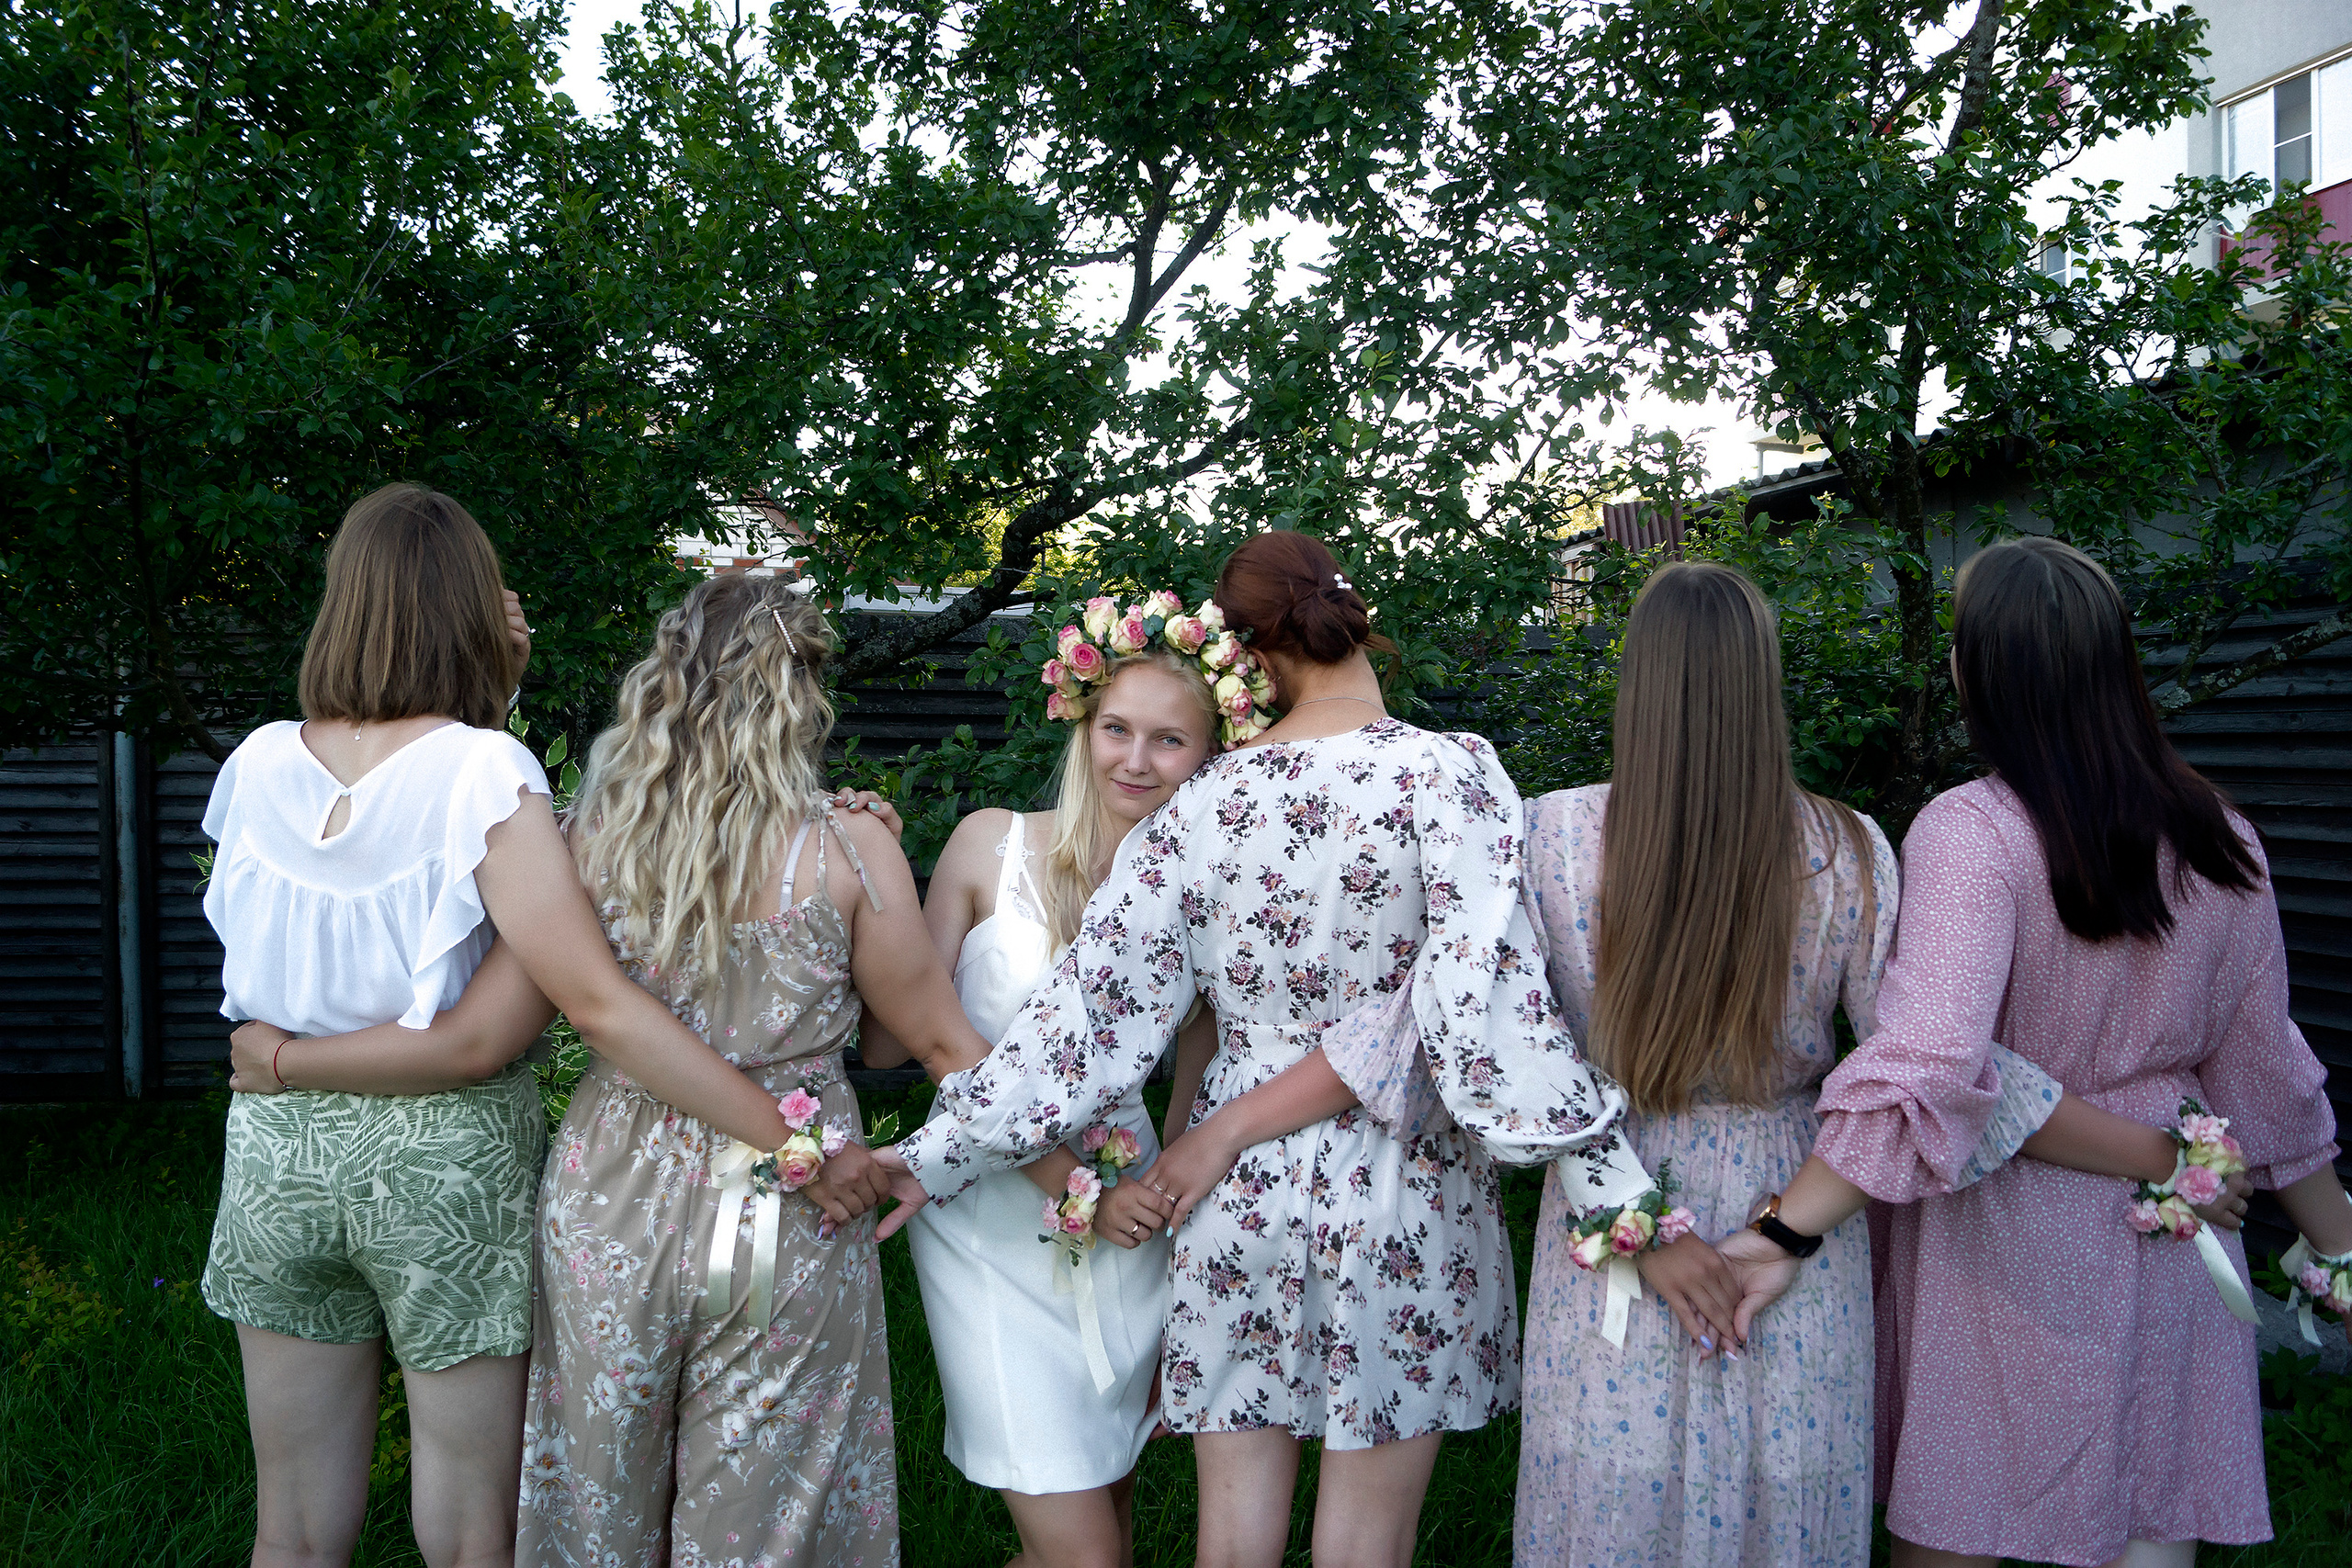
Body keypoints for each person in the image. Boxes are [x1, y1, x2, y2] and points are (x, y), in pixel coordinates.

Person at [876, 532, 1741, 1568]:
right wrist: (1625, 1204)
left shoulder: (1203, 801)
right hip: (1400, 1186)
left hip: (1232, 1186)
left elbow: (1085, 1022)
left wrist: (927, 1156)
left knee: (1231, 1546)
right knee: (1361, 1549)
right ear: (1352, 616)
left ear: (1248, 652)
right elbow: (1492, 1014)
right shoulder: (1450, 773)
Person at [252, 571, 994, 1566]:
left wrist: (291, 1058)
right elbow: (915, 1044)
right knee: (763, 1510)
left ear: (667, 681)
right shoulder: (852, 850)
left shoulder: (580, 843)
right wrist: (1075, 1154)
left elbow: (497, 1026)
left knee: (596, 1490)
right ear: (802, 693)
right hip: (791, 1190)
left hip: (612, 1192)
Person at [200, 485, 797, 1568]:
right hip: (441, 1164)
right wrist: (787, 1133)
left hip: (276, 1152)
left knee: (287, 1526)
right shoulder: (486, 768)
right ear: (475, 614)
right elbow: (564, 1006)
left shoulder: (256, 762)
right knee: (474, 1530)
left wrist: (283, 1058)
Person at [1757, 537, 2352, 1568]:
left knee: (1965, 1517)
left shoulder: (1972, 832)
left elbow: (1933, 1065)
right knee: (2147, 1511)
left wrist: (1780, 1235)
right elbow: (2266, 1067)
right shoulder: (2222, 833)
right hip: (2171, 1225)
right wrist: (2340, 1249)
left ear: (1976, 671)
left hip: (2007, 1241)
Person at [865, 604, 1226, 1568]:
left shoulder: (1198, 890)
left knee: (1105, 1527)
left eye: (1169, 740)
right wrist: (869, 862)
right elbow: (905, 1039)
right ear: (1081, 725)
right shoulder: (991, 845)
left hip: (1127, 1217)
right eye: (1117, 729)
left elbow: (1196, 1061)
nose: (1135, 761)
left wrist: (1174, 1195)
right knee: (1086, 1552)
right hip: (989, 1216)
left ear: (1207, 754)